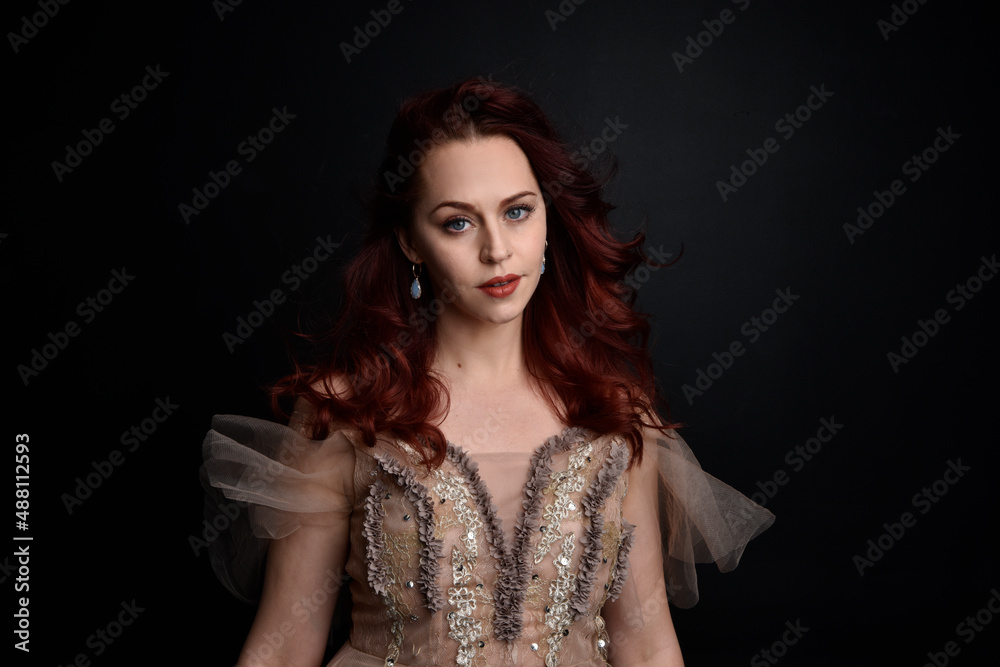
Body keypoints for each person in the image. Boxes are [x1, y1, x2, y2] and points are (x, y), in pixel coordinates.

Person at [201, 77, 774, 667]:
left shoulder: (616, 416)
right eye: (458, 222)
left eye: (518, 211)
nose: (497, 249)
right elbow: (282, 649)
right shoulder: (345, 413)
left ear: (548, 219)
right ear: (410, 242)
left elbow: (647, 646)